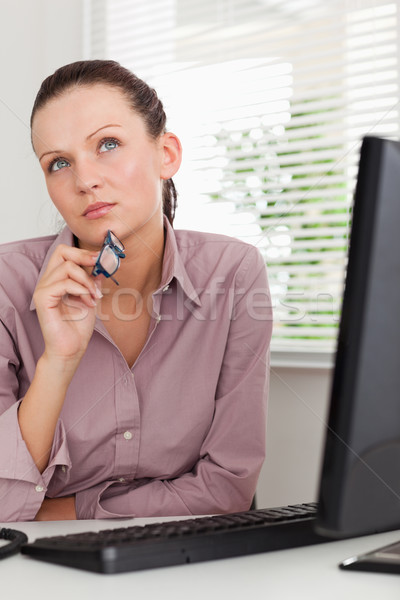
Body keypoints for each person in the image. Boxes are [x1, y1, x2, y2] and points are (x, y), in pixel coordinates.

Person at [0, 60, 272, 522]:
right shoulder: (8, 282)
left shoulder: (233, 273)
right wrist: (58, 363)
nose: (84, 180)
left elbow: (228, 488)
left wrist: (65, 512)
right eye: (59, 163)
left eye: (107, 144)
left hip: (180, 557)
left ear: (165, 154)